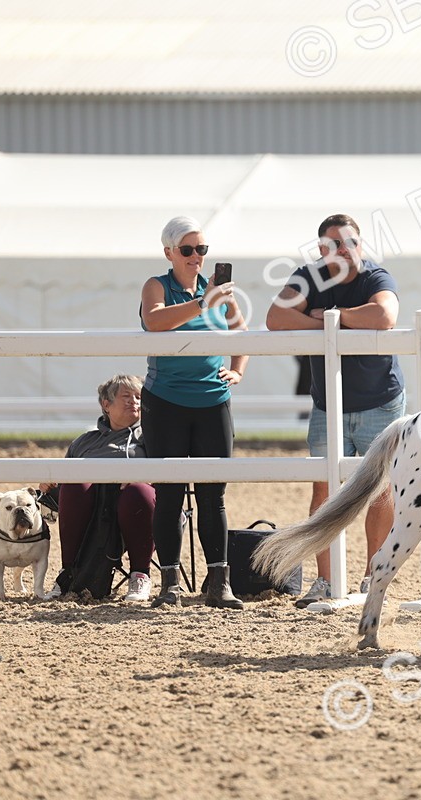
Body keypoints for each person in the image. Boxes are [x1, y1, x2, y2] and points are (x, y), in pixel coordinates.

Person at [266, 213, 406, 607]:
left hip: (380, 400)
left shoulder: (376, 276)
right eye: (334, 244)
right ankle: (326, 581)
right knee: (324, 489)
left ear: (361, 244)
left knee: (381, 491)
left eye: (351, 242)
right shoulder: (308, 277)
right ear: (321, 250)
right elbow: (275, 318)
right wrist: (335, 326)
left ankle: (373, 578)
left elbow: (384, 316)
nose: (344, 250)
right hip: (328, 404)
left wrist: (330, 318)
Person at [140, 215, 248, 609]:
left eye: (201, 249)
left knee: (212, 494)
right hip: (165, 401)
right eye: (187, 249)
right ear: (169, 252)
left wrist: (237, 370)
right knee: (168, 493)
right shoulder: (157, 285)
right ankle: (169, 583)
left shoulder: (219, 291)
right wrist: (204, 302)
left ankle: (219, 582)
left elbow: (242, 333)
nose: (195, 256)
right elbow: (154, 321)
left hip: (212, 400)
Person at [41, 374, 157, 601]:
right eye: (126, 396)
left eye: (138, 397)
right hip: (93, 511)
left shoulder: (151, 437)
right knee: (74, 484)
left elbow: (169, 479)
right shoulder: (84, 442)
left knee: (138, 491)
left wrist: (141, 478)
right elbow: (63, 489)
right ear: (106, 404)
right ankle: (68, 574)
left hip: (136, 507)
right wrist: (50, 484)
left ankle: (140, 574)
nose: (134, 402)